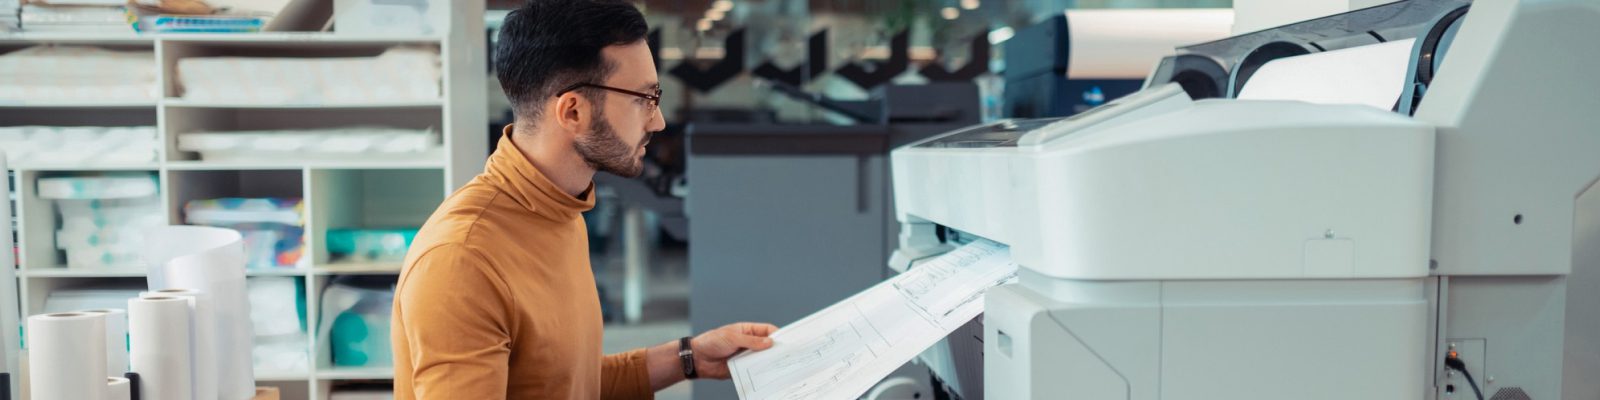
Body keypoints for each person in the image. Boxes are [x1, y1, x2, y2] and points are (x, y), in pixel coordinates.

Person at [391, 1, 777, 398]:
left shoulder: (561, 209)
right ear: (573, 110)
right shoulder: (463, 260)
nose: (657, 121)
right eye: (643, 99)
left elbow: (564, 383)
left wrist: (691, 357)